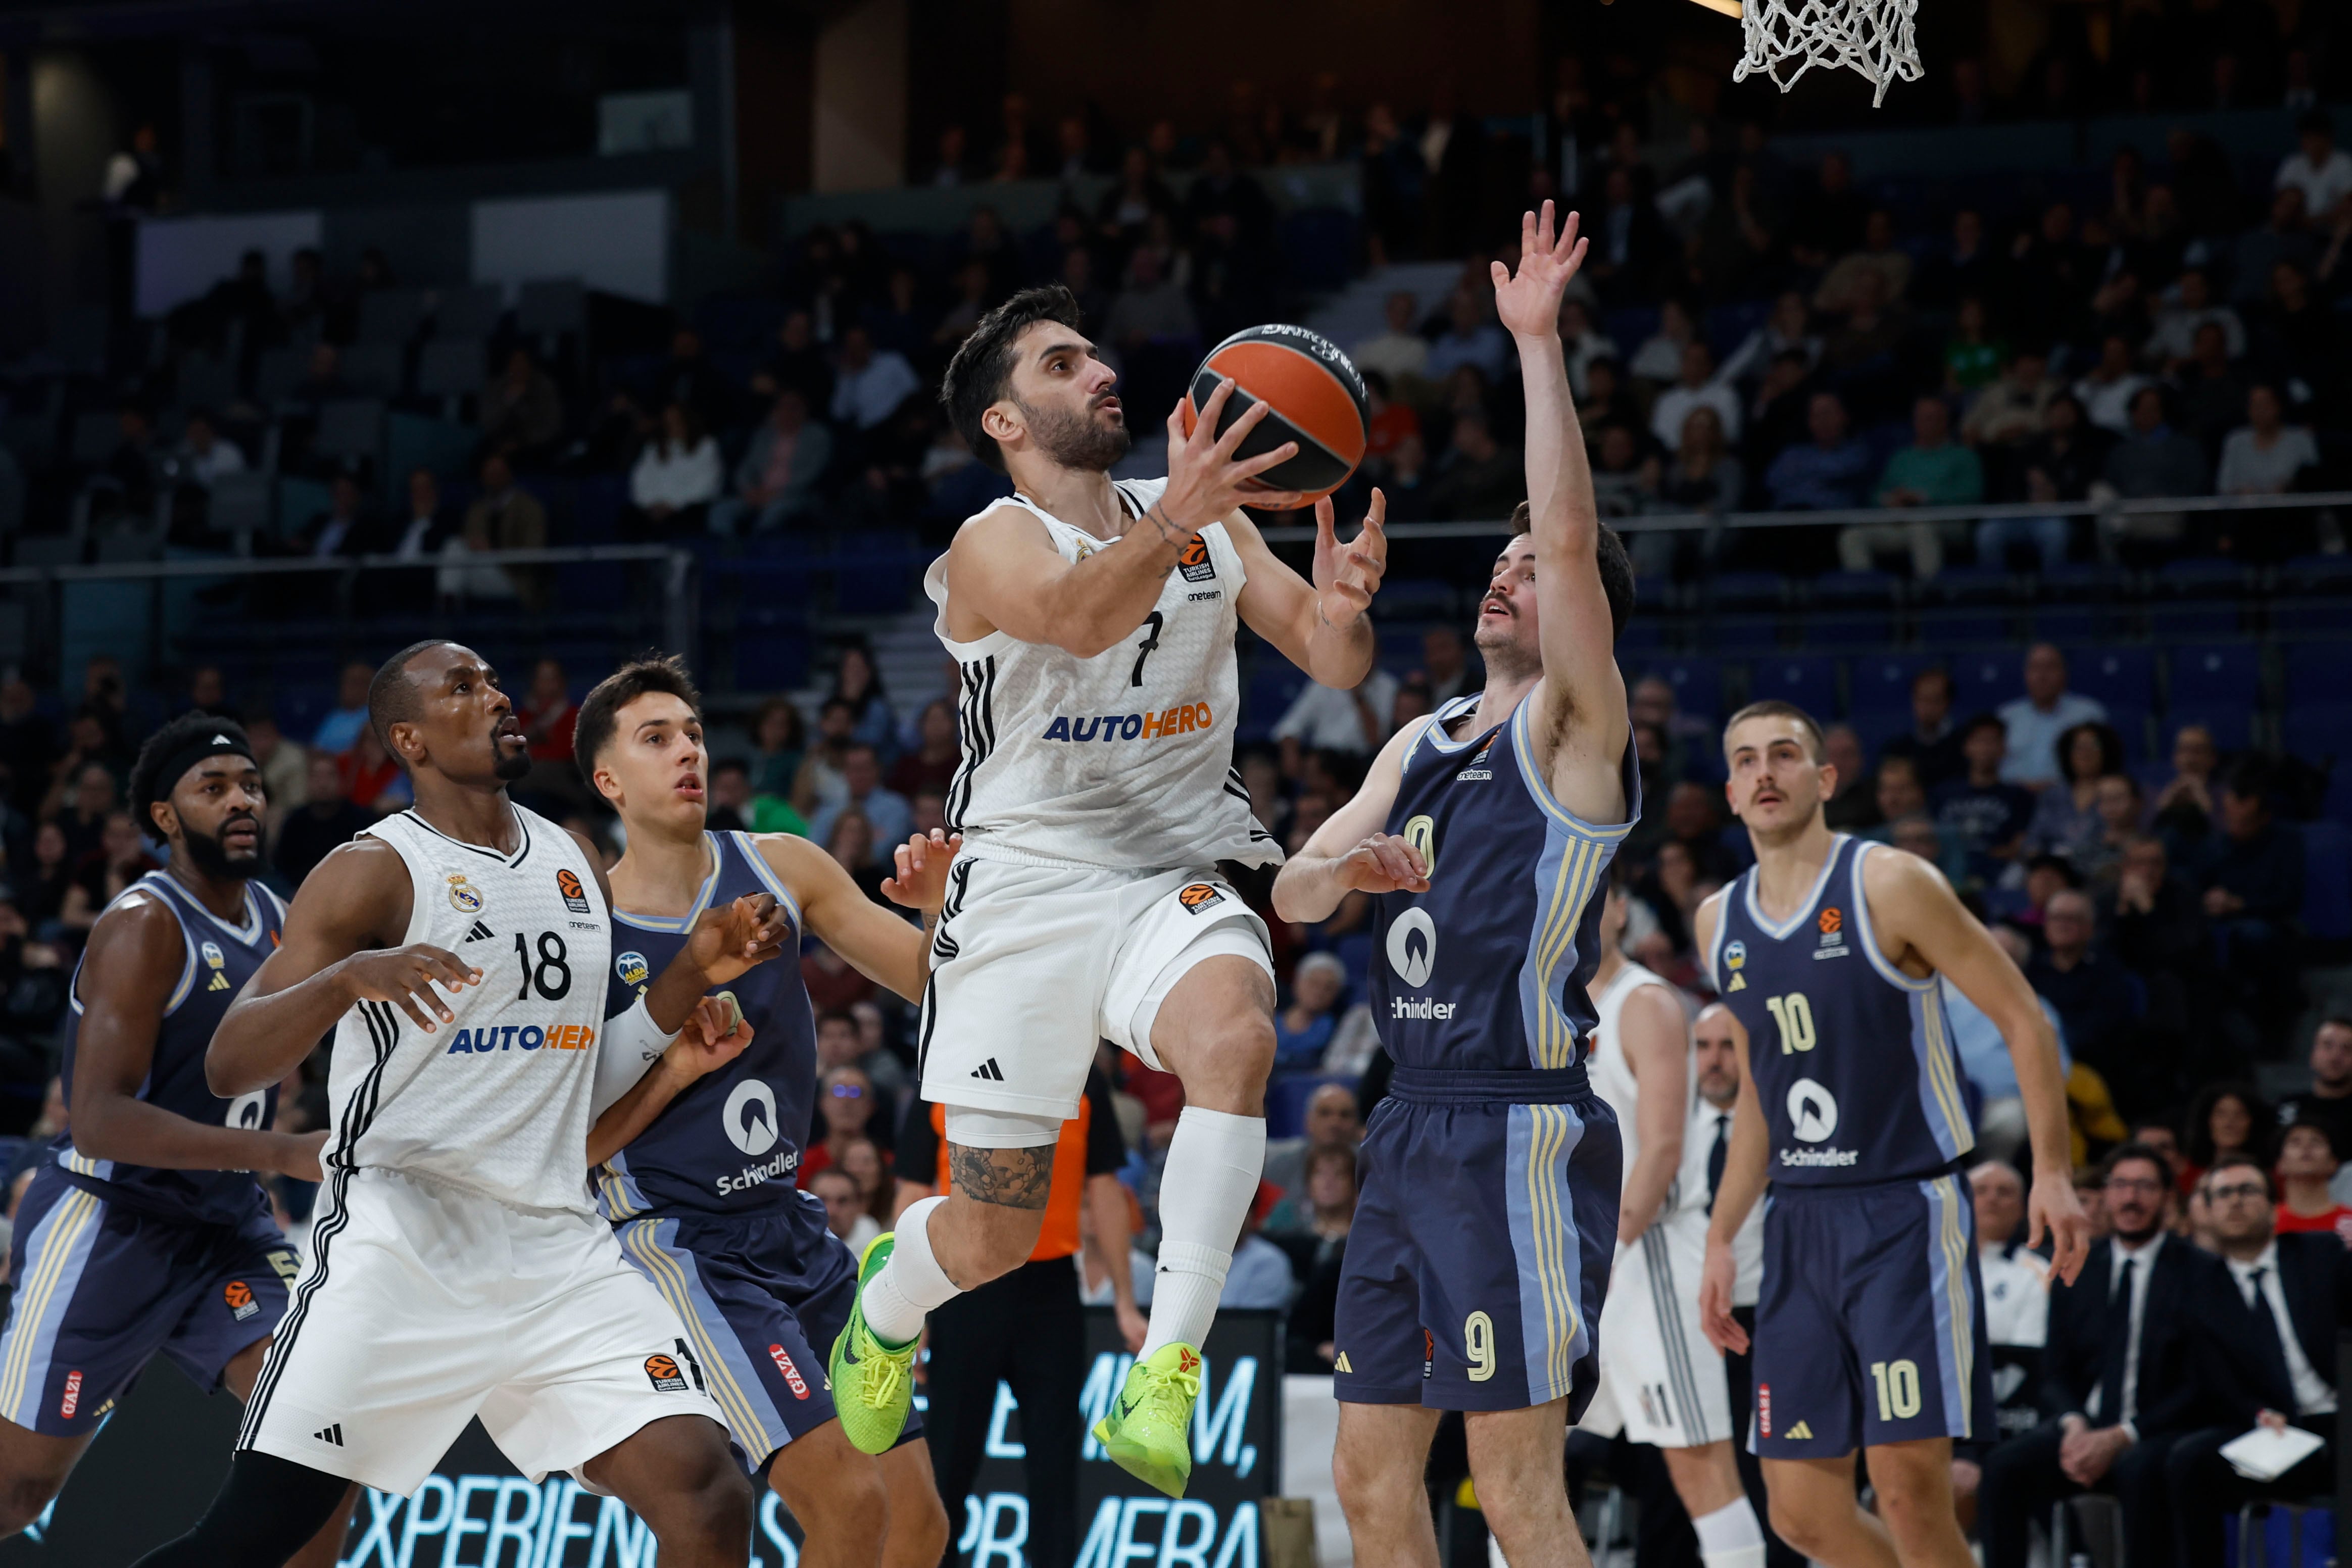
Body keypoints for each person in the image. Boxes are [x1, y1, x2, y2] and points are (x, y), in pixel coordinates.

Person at [827, 278, 1388, 1496]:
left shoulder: (1212, 519)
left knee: (1236, 1037)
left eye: (1095, 355)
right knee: (990, 1232)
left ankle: (1166, 1366)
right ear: (1005, 422)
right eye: (1061, 364)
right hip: (1023, 885)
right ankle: (887, 1304)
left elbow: (1329, 654)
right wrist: (1180, 518)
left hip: (1171, 870)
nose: (1098, 373)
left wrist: (1344, 612)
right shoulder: (992, 540)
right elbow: (1079, 618)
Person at [127, 641, 789, 1567]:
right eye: (465, 688)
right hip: (404, 1244)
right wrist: (351, 978)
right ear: (411, 738)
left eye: (494, 680)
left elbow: (573, 1087)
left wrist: (687, 978)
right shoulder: (375, 870)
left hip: (556, 1247)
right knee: (256, 1538)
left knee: (709, 1492)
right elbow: (233, 1061)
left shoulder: (570, 854)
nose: (498, 696)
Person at [1271, 204, 1636, 1568]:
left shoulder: (1574, 734)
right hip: (1408, 1128)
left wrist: (1536, 349)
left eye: (1531, 572)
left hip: (1514, 1135)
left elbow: (1569, 522)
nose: (1507, 573)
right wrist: (1338, 868)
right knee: (1370, 1485)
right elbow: (1299, 897)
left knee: (1513, 1488)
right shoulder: (1421, 738)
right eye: (1498, 565)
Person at [571, 655, 954, 1568]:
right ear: (609, 778)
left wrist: (941, 914)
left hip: (791, 1225)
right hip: (679, 1238)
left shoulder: (780, 866)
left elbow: (925, 980)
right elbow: (569, 1139)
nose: (686, 752)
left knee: (920, 1523)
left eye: (694, 733)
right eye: (655, 738)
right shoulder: (587, 931)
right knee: (849, 1504)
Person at [1694, 699, 2089, 1568]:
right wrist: (1723, 1233)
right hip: (1796, 1222)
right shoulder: (1718, 921)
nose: (1765, 770)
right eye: (1747, 759)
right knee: (1798, 1510)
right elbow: (1761, 1091)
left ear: (1826, 776)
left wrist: (2052, 1171)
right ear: (1728, 790)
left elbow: (2026, 1018)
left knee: (1912, 1492)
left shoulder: (1889, 881)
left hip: (1903, 1213)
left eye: (1785, 754)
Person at [0, 718, 349, 1557]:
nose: (242, 800)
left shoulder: (278, 914)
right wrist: (280, 1150)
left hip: (226, 1229)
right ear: (164, 813)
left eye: (252, 783)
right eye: (214, 786)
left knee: (325, 1432)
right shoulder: (142, 923)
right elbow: (101, 1118)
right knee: (17, 1490)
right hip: (110, 1223)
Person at [1583, 884, 1769, 1568]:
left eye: (1592, 892)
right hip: (1567, 1256)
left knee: (1699, 1468)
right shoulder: (1541, 1001)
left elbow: (1661, 1147)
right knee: (1523, 1458)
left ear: (1622, 908)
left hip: (1645, 1253)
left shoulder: (1646, 1002)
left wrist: (1606, 1255)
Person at [893, 1065, 1144, 1568]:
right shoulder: (944, 1067)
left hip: (1051, 1288)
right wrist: (909, 1306)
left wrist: (1124, 1299)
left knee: (1055, 1466)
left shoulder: (1082, 1075)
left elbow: (1105, 1188)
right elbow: (912, 1191)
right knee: (949, 1460)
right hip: (962, 1285)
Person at [1977, 1143, 2212, 1568]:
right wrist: (2074, 1426)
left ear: (2167, 1197)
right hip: (2084, 1426)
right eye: (2120, 1185)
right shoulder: (2080, 1268)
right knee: (2003, 1467)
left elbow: (2203, 1382)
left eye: (2145, 1186)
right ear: (2105, 1197)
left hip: (2156, 1428)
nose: (2131, 1197)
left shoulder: (2200, 1270)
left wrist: (2123, 1435)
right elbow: (2054, 1371)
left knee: (2140, 1470)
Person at [2168, 1156, 2347, 1558]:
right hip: (2273, 1429)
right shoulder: (2199, 1291)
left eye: (2247, 1191)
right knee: (2188, 1460)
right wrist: (2257, 1412)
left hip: (2338, 1416)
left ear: (2272, 1206)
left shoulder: (2320, 1254)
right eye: (2223, 1194)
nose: (2235, 1202)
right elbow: (2212, 1375)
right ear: (2208, 1212)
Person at [1998, 645, 2108, 792]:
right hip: (2012, 796)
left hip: (2070, 795)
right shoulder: (2006, 716)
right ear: (2026, 674)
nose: (2042, 676)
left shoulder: (2088, 714)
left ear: (2065, 673)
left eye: (2050, 668)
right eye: (2035, 668)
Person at [2275, 1017, 2352, 1167]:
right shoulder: (2289, 1106)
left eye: (2347, 1049)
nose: (2335, 1057)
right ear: (2313, 1053)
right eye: (2327, 1046)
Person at [2273, 1120, 2352, 1245]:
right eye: (2295, 1142)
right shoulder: (2266, 1223)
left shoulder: (2350, 1222)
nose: (2306, 1147)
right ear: (2280, 1164)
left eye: (2317, 1142)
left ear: (2334, 1163)